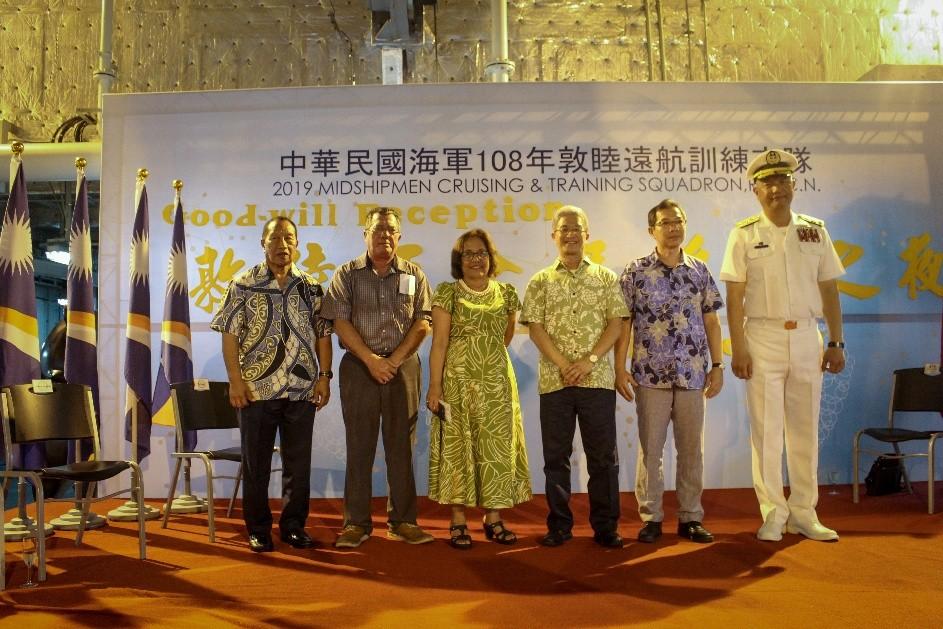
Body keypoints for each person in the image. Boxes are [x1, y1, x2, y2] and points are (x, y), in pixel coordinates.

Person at [720, 149, 846, 542]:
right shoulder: (744, 233)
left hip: (808, 337)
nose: (776, 189)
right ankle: (774, 513)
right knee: (767, 432)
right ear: (756, 191)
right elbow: (734, 296)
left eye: (782, 181)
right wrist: (738, 348)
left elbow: (829, 289)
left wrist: (836, 341)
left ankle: (805, 512)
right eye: (767, 183)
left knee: (805, 430)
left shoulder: (814, 230)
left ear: (793, 185)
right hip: (763, 338)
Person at [211, 216, 333, 553]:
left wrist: (324, 377)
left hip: (302, 389)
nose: (282, 244)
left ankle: (293, 526)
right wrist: (235, 382)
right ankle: (259, 529)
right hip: (256, 390)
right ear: (263, 243)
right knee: (257, 465)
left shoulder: (311, 287)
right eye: (275, 238)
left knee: (298, 465)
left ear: (297, 244)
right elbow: (230, 336)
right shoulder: (242, 284)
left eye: (289, 238)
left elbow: (323, 335)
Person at [321, 206, 434, 548]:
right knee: (360, 446)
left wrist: (393, 361)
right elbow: (339, 321)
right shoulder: (347, 274)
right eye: (377, 229)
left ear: (399, 236)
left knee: (402, 447)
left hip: (403, 367)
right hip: (359, 367)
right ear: (365, 234)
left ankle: (403, 521)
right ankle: (356, 523)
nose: (384, 235)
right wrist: (371, 360)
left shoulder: (414, 273)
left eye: (390, 230)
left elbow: (423, 321)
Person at [615, 199, 724, 545]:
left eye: (678, 221)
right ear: (652, 230)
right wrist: (619, 367)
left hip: (693, 375)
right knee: (651, 451)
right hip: (650, 376)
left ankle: (690, 517)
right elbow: (624, 322)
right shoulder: (636, 272)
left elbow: (711, 320)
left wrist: (718, 366)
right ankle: (651, 518)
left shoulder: (699, 270)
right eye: (666, 223)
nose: (674, 228)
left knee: (692, 451)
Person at [521, 205, 629, 548]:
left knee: (603, 458)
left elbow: (616, 323)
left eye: (576, 228)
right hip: (555, 383)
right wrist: (563, 364)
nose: (570, 234)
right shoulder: (540, 281)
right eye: (564, 229)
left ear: (587, 234)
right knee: (556, 459)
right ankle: (559, 526)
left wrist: (588, 361)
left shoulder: (605, 278)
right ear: (554, 235)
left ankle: (606, 527)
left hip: (596, 380)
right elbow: (535, 327)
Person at [426, 229, 532, 549]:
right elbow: (439, 343)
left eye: (482, 253)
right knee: (459, 449)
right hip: (457, 384)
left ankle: (493, 517)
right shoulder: (448, 292)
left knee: (496, 449)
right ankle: (458, 520)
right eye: (469, 254)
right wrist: (435, 386)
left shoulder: (507, 293)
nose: (476, 259)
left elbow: (505, 337)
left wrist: (487, 363)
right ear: (459, 260)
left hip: (497, 384)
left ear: (490, 258)